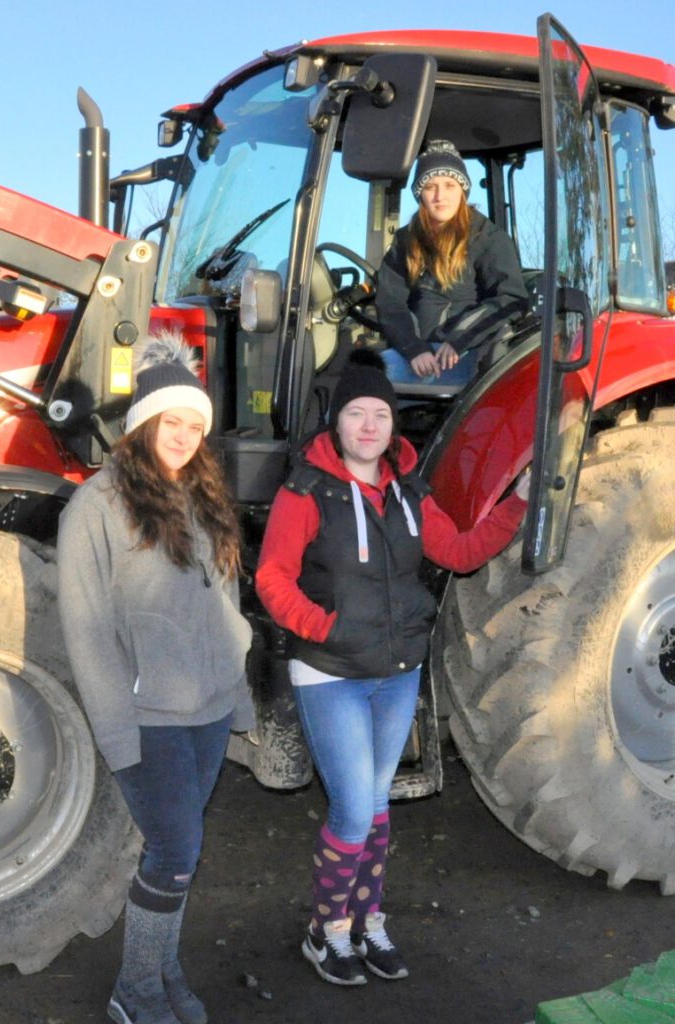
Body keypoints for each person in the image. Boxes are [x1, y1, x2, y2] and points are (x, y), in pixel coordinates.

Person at [255, 349, 529, 987]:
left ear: (392, 425)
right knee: (353, 809)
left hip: (396, 672)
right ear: (338, 423)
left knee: (377, 808)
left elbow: (459, 552)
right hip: (331, 673)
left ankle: (369, 921)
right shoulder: (307, 490)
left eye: (380, 413)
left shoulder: (409, 491)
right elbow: (272, 578)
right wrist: (325, 628)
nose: (369, 426)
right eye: (357, 413)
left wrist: (513, 505)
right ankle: (326, 933)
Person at [57, 331, 254, 1024]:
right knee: (174, 853)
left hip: (204, 710)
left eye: (195, 425)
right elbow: (85, 634)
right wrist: (119, 738)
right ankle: (134, 993)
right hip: (148, 721)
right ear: (143, 423)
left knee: (179, 854)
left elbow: (223, 607)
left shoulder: (199, 496)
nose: (184, 436)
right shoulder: (95, 509)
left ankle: (162, 971)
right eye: (173, 421)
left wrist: (240, 701)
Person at [376, 139, 530, 386]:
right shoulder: (406, 241)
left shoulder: (488, 238)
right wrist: (413, 348)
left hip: (467, 354)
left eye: (449, 185)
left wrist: (458, 339)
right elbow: (391, 302)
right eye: (430, 187)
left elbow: (510, 300)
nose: (440, 196)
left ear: (462, 190)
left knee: (379, 380)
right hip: (417, 355)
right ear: (419, 194)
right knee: (365, 377)